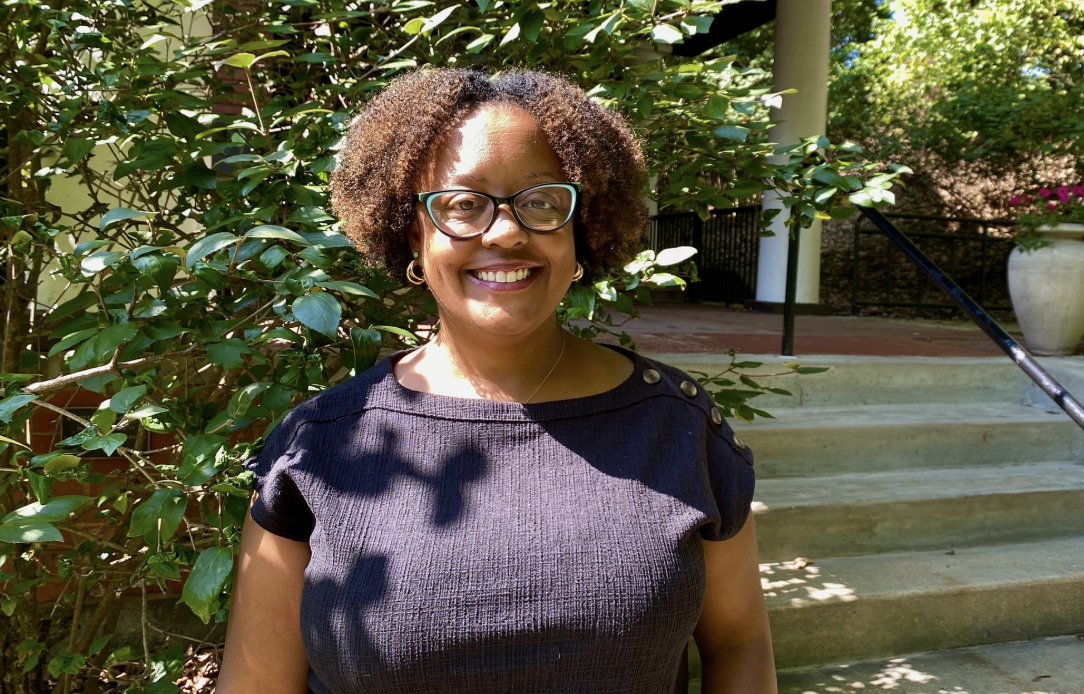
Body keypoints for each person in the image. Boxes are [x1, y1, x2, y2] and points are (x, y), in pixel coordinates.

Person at [218, 67, 775, 694]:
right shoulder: (324, 444)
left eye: (541, 201)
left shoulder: (679, 427)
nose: (506, 231)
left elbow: (740, 643)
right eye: (462, 204)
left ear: (580, 229)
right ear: (412, 231)